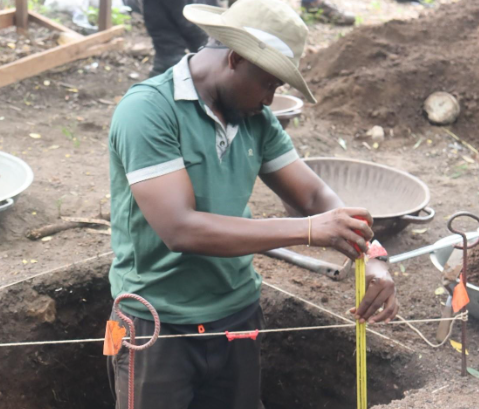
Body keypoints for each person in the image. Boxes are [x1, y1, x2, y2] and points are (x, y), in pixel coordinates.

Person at [107, 0, 398, 408]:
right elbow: (180, 228)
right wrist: (310, 230)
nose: (270, 99)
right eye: (269, 84)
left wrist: (373, 254)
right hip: (159, 323)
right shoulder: (148, 112)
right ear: (235, 59)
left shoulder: (256, 121)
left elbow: (314, 196)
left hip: (237, 313)